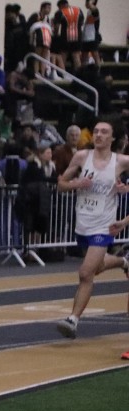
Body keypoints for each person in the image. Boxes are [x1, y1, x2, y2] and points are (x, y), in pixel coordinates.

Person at [55, 118, 129, 339]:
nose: (98, 135)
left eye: (104, 132)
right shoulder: (81, 157)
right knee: (97, 267)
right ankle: (123, 262)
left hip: (104, 226)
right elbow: (61, 184)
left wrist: (125, 210)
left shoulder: (121, 161)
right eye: (96, 131)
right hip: (83, 224)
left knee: (86, 273)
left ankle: (73, 319)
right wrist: (77, 184)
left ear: (112, 138)